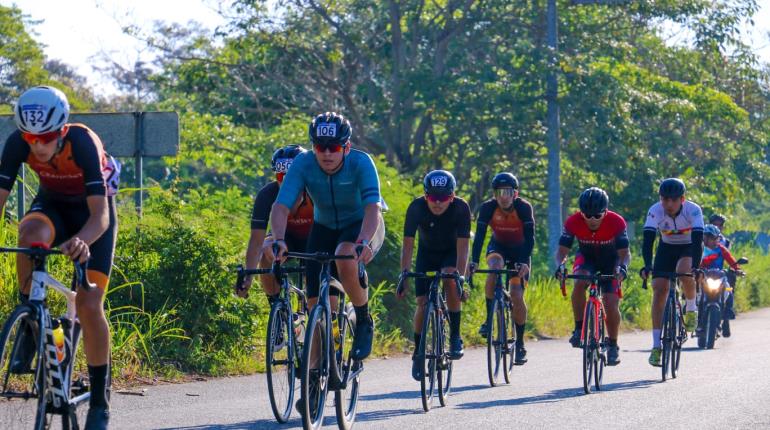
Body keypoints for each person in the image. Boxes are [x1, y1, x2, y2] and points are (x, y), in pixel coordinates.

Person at [0, 86, 120, 429]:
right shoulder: (17, 144)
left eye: (47, 136)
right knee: (29, 237)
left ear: (62, 129)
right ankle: (31, 321)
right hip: (52, 207)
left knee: (88, 303)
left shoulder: (83, 142)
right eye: (30, 137)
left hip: (92, 218)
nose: (37, 145)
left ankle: (99, 401)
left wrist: (82, 240)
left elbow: (101, 216)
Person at [266, 112, 385, 412]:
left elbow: (372, 209)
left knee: (345, 254)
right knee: (315, 307)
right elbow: (281, 207)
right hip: (323, 228)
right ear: (314, 147)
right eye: (321, 147)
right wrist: (278, 238)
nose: (328, 154)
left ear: (346, 146)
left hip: (361, 225)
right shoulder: (304, 164)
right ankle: (314, 379)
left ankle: (364, 317)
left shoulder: (361, 163)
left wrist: (362, 242)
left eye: (334, 147)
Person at [397, 170, 470, 380]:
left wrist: (461, 278)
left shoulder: (461, 208)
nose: (437, 203)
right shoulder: (416, 208)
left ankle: (455, 336)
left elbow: (464, 247)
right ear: (425, 195)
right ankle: (418, 353)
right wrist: (404, 274)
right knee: (421, 303)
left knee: (450, 278)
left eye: (443, 198)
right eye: (433, 197)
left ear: (452, 196)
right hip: (426, 254)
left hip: (451, 253)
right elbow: (408, 244)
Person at [554, 187, 629, 366]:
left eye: (597, 215)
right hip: (587, 258)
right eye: (587, 215)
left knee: (611, 302)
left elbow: (625, 253)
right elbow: (561, 252)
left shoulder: (616, 221)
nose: (592, 219)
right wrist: (560, 267)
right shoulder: (573, 221)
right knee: (579, 281)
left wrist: (622, 268)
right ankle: (579, 328)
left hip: (611, 260)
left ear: (606, 211)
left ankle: (612, 344)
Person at [470, 172, 534, 365]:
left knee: (516, 293)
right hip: (498, 247)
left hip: (520, 252)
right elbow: (480, 236)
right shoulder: (488, 207)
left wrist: (523, 261)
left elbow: (530, 238)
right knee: (495, 268)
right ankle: (490, 318)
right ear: (494, 194)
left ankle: (520, 343)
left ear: (515, 193)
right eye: (499, 192)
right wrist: (473, 261)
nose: (503, 196)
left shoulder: (523, 208)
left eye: (507, 192)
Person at [640, 178, 704, 367]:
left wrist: (697, 266)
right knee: (659, 289)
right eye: (664, 199)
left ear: (682, 199)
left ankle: (691, 308)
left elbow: (699, 240)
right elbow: (648, 240)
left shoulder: (693, 210)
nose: (668, 204)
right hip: (666, 249)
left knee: (685, 271)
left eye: (673, 200)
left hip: (688, 247)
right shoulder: (655, 211)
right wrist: (647, 265)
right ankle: (656, 346)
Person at [237, 145, 313, 299]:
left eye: (293, 176)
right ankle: (276, 305)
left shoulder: (316, 190)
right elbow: (256, 240)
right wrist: (249, 277)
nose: (287, 182)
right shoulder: (267, 194)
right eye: (281, 177)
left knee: (313, 276)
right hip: (285, 238)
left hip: (314, 237)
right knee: (267, 251)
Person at [700, 224, 741, 334]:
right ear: (705, 238)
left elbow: (731, 260)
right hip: (703, 277)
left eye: (716, 238)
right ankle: (694, 315)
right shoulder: (700, 249)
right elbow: (694, 262)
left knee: (729, 290)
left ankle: (728, 312)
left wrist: (737, 269)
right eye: (712, 238)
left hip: (719, 277)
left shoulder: (721, 249)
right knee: (696, 294)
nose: (714, 241)